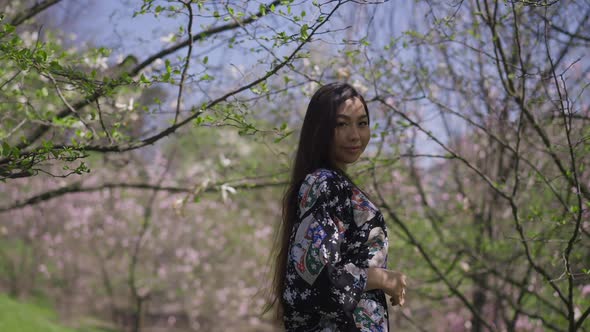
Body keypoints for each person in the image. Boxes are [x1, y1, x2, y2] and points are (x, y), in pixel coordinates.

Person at [266, 82, 407, 331]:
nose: (355, 135)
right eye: (341, 124)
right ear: (320, 129)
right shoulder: (324, 183)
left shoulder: (332, 184)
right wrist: (382, 278)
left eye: (362, 123)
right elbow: (310, 282)